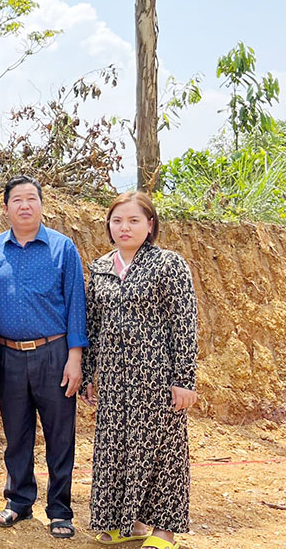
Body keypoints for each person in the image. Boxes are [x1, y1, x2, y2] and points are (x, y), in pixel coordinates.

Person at [81, 191, 198, 549]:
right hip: (115, 379)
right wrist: (88, 374)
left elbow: (184, 324)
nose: (124, 227)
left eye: (134, 220)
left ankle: (164, 529)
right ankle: (124, 522)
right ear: (109, 226)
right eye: (117, 221)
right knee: (115, 446)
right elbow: (93, 326)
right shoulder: (100, 267)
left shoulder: (168, 265)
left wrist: (184, 380)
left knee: (163, 450)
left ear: (150, 225)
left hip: (157, 377)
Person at [0, 176, 87, 539]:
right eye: (17, 200)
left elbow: (76, 305)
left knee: (60, 435)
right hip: (9, 356)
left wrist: (75, 358)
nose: (25, 206)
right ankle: (19, 501)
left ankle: (60, 510)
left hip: (54, 354)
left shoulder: (63, 248)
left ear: (42, 204)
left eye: (31, 199)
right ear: (6, 207)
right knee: (17, 433)